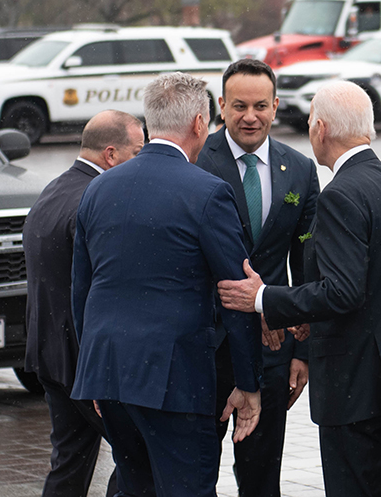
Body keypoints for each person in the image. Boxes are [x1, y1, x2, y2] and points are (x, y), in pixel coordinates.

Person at [218, 80, 381, 497]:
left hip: (359, 383)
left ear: (320, 128)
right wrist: (304, 314)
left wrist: (263, 298)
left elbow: (343, 291)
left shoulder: (341, 194)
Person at [70, 72, 263, 497]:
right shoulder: (208, 192)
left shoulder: (98, 188)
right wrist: (249, 382)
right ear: (199, 124)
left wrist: (96, 370)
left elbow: (82, 291)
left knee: (135, 486)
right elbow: (238, 295)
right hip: (173, 378)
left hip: (109, 372)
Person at [195, 58, 319, 497]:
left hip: (272, 351)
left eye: (261, 106)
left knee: (262, 476)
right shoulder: (196, 162)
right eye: (240, 106)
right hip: (206, 348)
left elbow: (307, 264)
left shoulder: (300, 170)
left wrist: (302, 349)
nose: (251, 117)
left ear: (276, 106)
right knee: (194, 474)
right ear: (222, 107)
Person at [24, 109, 144, 497]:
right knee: (138, 457)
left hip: (48, 354)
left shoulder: (54, 190)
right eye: (137, 152)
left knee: (70, 464)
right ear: (111, 154)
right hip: (84, 364)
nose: (141, 162)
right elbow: (102, 289)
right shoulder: (94, 201)